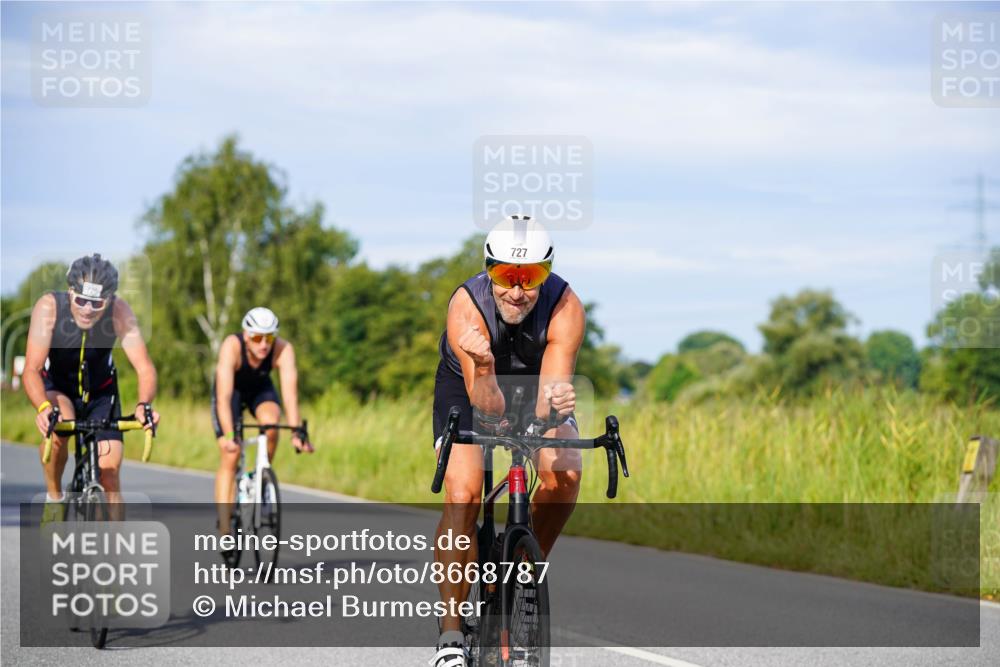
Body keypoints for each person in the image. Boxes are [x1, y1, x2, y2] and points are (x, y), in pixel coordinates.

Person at [429, 215, 586, 666]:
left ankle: (523, 571)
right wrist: (481, 364)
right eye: (505, 276)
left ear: (547, 272)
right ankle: (452, 638)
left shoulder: (566, 307)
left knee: (566, 475)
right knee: (464, 493)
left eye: (531, 277)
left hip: (535, 387)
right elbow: (490, 411)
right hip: (471, 385)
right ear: (489, 269)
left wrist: (557, 403)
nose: (517, 291)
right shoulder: (466, 308)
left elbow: (542, 409)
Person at [23, 254, 159, 516]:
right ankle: (54, 498)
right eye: (81, 300)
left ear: (108, 300)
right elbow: (32, 369)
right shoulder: (49, 307)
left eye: (96, 303)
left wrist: (144, 405)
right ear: (70, 291)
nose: (87, 309)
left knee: (109, 475)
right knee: (57, 433)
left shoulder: (119, 311)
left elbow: (145, 367)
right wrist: (42, 407)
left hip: (101, 393)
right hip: (60, 389)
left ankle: (115, 549)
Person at [212, 307, 313, 537]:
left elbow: (290, 395)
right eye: (257, 338)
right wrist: (228, 436)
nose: (264, 345)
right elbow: (223, 398)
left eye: (269, 338)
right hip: (231, 392)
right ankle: (225, 529)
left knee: (271, 424)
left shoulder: (284, 350)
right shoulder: (232, 346)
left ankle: (261, 478)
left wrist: (297, 433)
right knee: (231, 453)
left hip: (260, 389)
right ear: (246, 335)